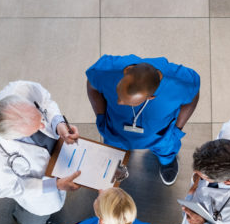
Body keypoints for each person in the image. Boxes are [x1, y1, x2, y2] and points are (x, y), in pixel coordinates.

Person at [0, 80, 81, 224]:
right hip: (39, 190)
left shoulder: (20, 90)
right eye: (36, 127)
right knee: (37, 215)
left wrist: (59, 124)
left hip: (54, 154)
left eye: (40, 118)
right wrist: (54, 184)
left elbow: (45, 101)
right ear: (17, 136)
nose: (42, 125)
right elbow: (11, 188)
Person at [85, 54, 200, 186]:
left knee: (166, 149)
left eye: (128, 102)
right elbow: (91, 85)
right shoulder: (105, 71)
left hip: (160, 135)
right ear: (126, 70)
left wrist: (177, 129)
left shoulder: (181, 83)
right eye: (119, 92)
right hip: (115, 129)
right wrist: (100, 115)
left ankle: (167, 161)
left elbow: (193, 96)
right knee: (114, 149)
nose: (119, 102)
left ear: (150, 97)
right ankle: (116, 158)